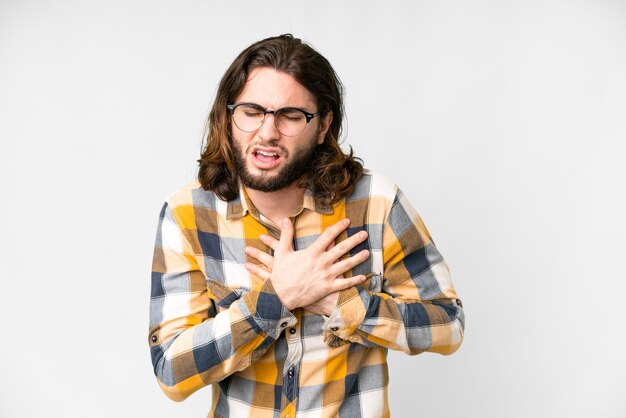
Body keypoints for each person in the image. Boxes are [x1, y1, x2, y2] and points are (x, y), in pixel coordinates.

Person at [149, 33, 464, 418]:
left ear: (322, 125)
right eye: (251, 111)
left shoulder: (376, 205)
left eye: (290, 116)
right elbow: (171, 371)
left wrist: (342, 304)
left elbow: (449, 324)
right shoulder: (188, 214)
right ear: (228, 116)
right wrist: (276, 298)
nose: (267, 132)